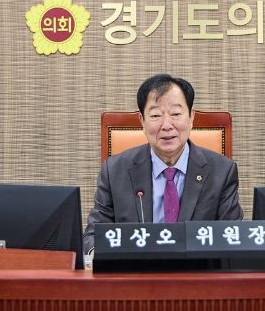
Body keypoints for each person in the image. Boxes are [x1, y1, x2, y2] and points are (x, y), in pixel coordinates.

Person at [83, 74, 243, 254]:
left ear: (191, 117)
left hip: (198, 269)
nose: (167, 125)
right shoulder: (114, 171)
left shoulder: (222, 171)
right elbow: (94, 236)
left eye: (176, 114)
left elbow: (232, 236)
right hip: (135, 269)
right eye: (155, 115)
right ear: (142, 121)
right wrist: (96, 254)